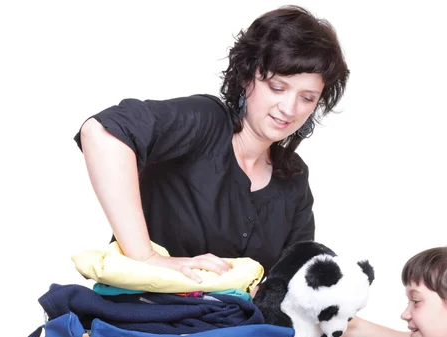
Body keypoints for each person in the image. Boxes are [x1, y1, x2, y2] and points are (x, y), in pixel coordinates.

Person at [74, 5, 349, 283]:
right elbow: (102, 132)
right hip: (142, 318)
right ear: (246, 77)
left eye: (307, 98)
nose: (290, 108)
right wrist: (146, 258)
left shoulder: (293, 179)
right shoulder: (205, 123)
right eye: (277, 88)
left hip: (235, 326)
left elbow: (300, 288)